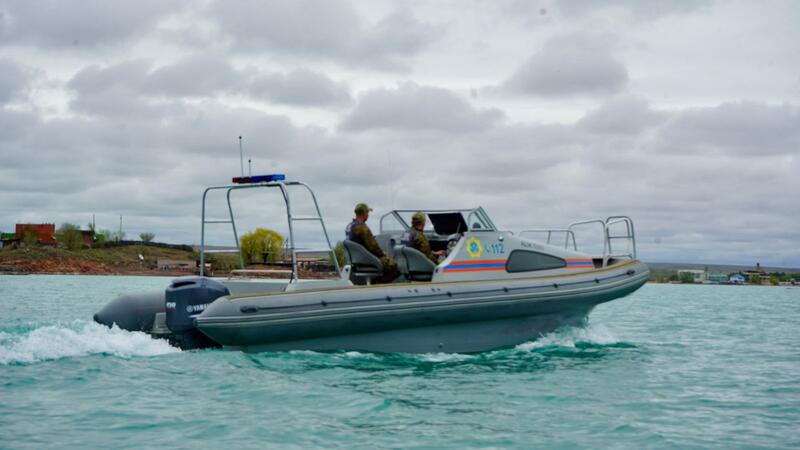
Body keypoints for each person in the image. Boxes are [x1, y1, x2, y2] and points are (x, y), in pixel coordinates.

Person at [345, 203, 400, 283]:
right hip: (366, 260)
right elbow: (373, 246)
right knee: (396, 268)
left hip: (356, 260)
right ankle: (377, 284)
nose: (368, 215)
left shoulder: (350, 226)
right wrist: (383, 254)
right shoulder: (362, 227)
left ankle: (373, 283)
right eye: (367, 213)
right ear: (364, 214)